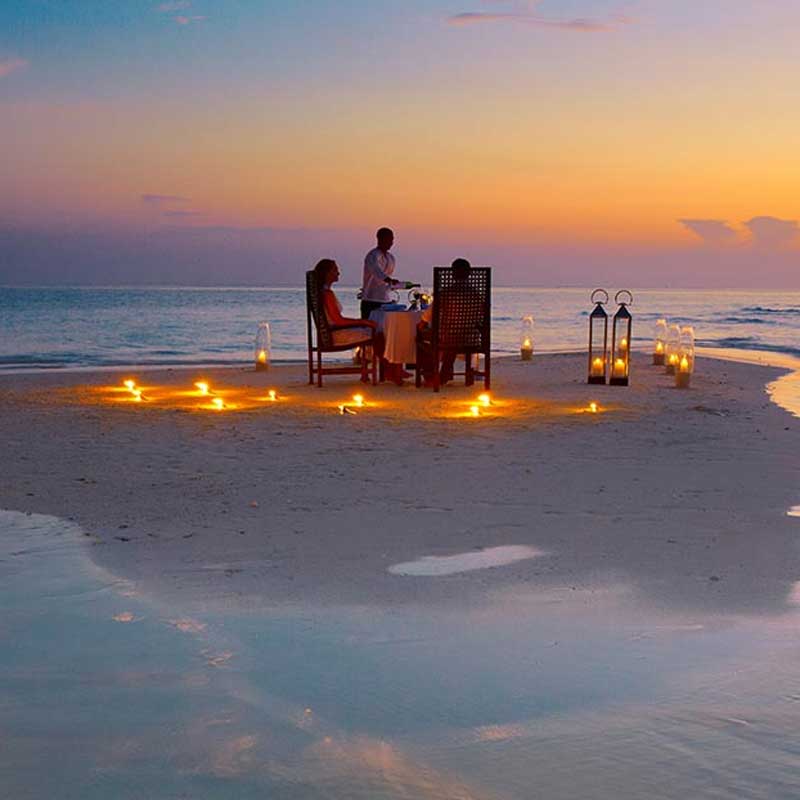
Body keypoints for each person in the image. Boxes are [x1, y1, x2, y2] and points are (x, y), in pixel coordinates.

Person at [417, 258, 478, 385]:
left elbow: (427, 317)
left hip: (447, 337)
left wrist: (422, 326)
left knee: (420, 337)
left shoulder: (445, 293)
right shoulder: (476, 295)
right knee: (453, 339)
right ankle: (444, 375)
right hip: (469, 338)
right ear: (469, 274)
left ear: (453, 274)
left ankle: (430, 375)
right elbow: (480, 317)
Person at [360, 227, 400, 320]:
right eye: (388, 239)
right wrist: (390, 281)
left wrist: (397, 284)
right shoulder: (372, 255)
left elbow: (388, 279)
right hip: (371, 300)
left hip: (386, 300)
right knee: (370, 331)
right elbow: (377, 272)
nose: (391, 242)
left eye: (392, 239)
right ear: (380, 239)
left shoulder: (391, 258)